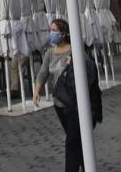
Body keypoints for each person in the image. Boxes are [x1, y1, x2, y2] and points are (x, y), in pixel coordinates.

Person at [33, 18, 102, 172]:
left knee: (72, 141)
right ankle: (88, 166)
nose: (51, 33)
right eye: (50, 30)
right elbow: (43, 73)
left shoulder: (76, 50)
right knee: (78, 140)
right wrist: (37, 91)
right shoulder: (49, 53)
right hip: (60, 104)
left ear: (63, 34)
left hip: (78, 104)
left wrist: (76, 64)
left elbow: (91, 70)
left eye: (54, 30)